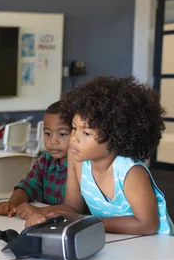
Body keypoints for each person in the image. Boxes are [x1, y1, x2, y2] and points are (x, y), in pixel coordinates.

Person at [25, 76, 173, 235]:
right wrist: (44, 212)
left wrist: (87, 221)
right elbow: (73, 208)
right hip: (117, 242)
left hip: (157, 248)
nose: (74, 137)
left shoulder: (130, 173)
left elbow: (147, 225)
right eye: (74, 128)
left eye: (86, 133)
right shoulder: (76, 159)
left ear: (116, 137)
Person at [0, 101, 70, 220]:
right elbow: (27, 186)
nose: (53, 141)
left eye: (63, 134)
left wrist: (41, 211)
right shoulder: (45, 161)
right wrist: (13, 203)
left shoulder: (82, 166)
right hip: (45, 225)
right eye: (48, 133)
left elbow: (75, 208)